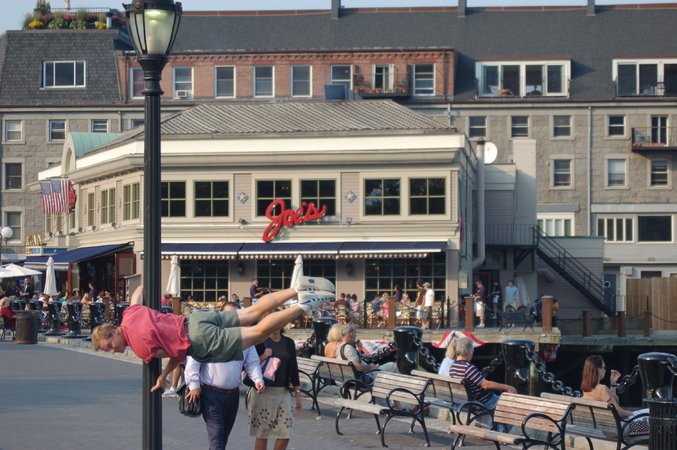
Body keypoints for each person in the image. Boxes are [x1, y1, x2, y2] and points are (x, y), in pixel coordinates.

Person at [92, 276, 335, 392]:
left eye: (109, 345)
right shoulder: (130, 312)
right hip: (195, 319)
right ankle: (296, 289)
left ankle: (303, 305)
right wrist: (147, 275)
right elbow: (138, 292)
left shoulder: (140, 349)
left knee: (259, 333)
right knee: (251, 312)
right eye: (108, 350)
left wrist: (163, 377)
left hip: (199, 341)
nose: (113, 350)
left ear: (113, 331)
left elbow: (175, 355)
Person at [185, 302, 264, 450]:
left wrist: (258, 379)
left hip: (232, 395)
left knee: (223, 437)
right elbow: (194, 360)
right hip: (210, 394)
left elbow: (252, 362)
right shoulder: (210, 335)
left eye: (236, 315)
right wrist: (194, 385)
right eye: (228, 315)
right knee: (217, 436)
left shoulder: (244, 338)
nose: (232, 319)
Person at [248, 327, 301, 450]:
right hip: (263, 392)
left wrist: (297, 393)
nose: (275, 327)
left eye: (278, 323)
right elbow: (249, 364)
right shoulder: (259, 342)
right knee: (262, 433)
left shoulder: (288, 342)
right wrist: (263, 356)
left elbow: (294, 368)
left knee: (285, 433)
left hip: (283, 393)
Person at [450, 337, 516, 428]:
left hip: (467, 401)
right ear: (468, 352)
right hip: (483, 401)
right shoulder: (468, 367)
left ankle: (491, 427)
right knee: (511, 405)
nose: (472, 354)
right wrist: (507, 387)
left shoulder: (453, 367)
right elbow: (485, 385)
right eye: (472, 351)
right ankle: (502, 431)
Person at [580, 355, 648, 422]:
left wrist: (613, 383)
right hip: (618, 426)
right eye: (604, 367)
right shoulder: (602, 389)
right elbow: (618, 412)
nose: (605, 370)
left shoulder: (586, 390)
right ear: (598, 369)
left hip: (601, 425)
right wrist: (632, 414)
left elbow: (614, 402)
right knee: (647, 412)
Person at [333, 323, 398, 383]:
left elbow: (352, 359)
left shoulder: (340, 347)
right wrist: (370, 366)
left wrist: (359, 349)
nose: (356, 336)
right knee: (392, 365)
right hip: (364, 378)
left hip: (347, 378)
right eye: (355, 333)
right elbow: (359, 368)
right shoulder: (348, 348)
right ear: (351, 334)